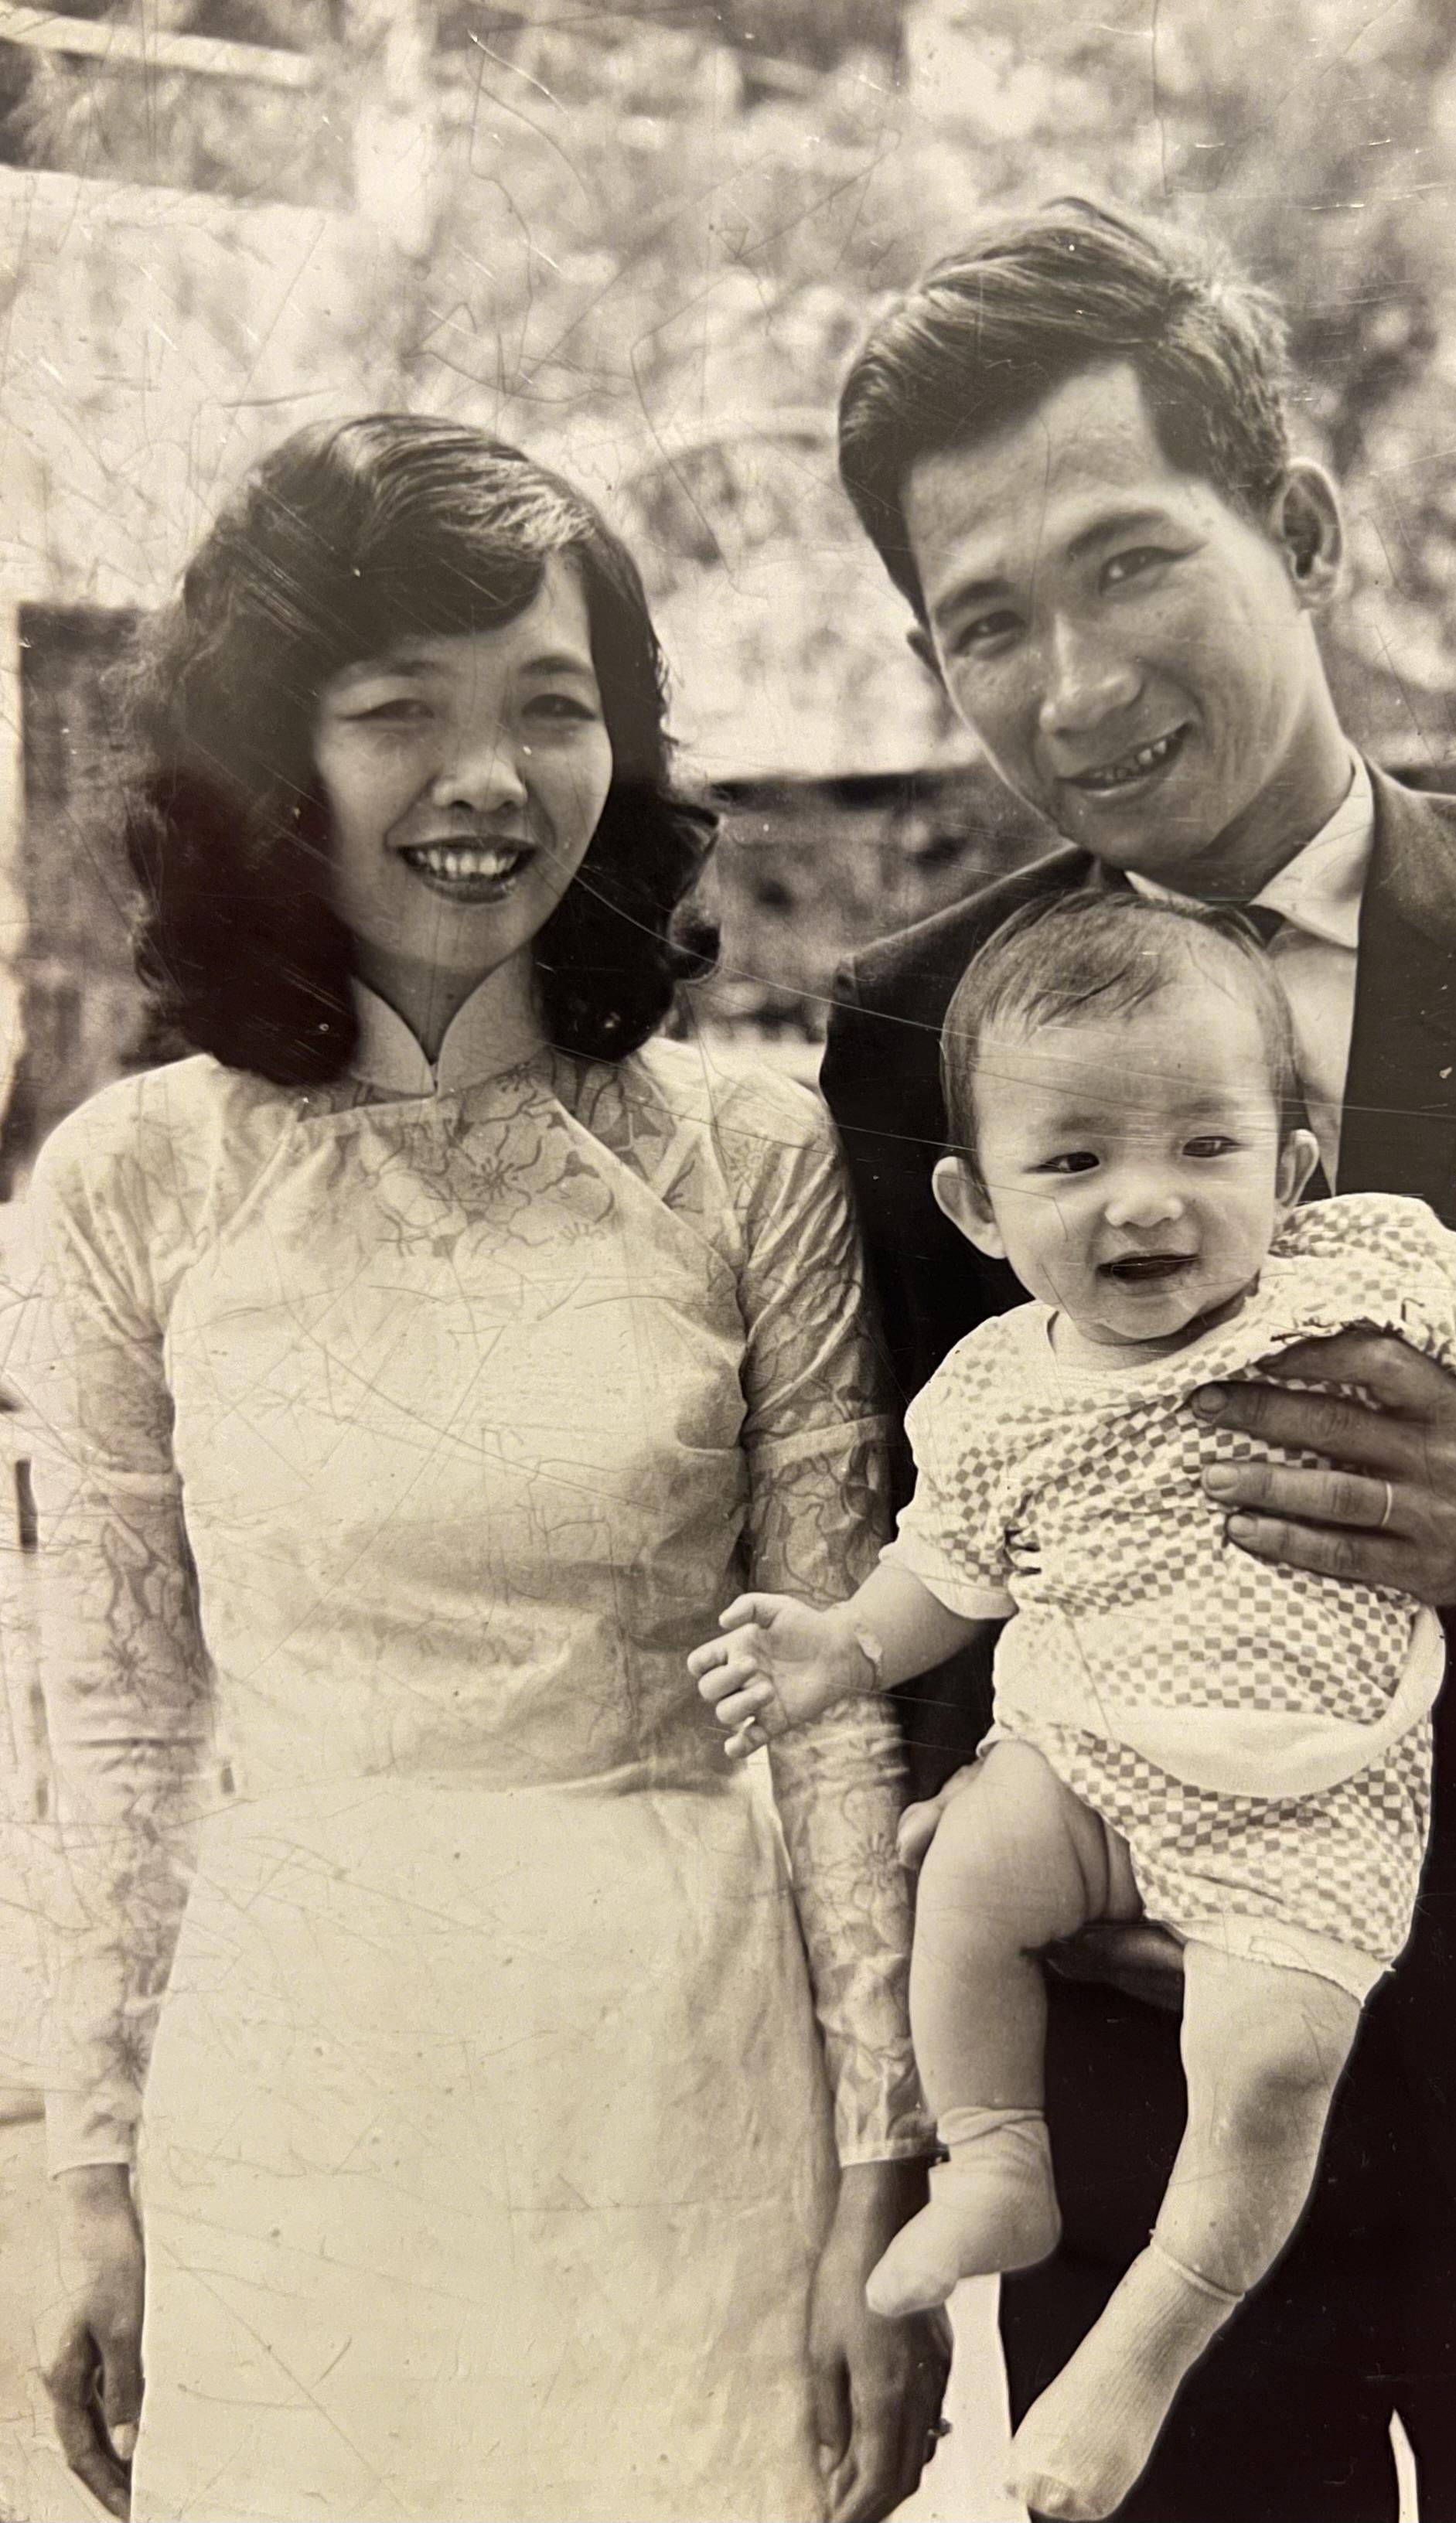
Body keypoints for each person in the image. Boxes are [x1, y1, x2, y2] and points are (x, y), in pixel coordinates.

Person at [819, 200, 1456, 2523]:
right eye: (984, 627)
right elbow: (929, 1536)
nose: (1071, 683)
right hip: (1144, 2081)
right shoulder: (916, 1034)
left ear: (1300, 527)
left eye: (1129, 563)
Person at [22, 414, 947, 2523]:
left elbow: (825, 1716)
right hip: (299, 2071)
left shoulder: (746, 1160)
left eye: (553, 710)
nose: (487, 783)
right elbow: (131, 1721)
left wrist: (866, 2180)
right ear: (279, 758)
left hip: (677, 2070)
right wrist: (96, 2173)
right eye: (397, 716)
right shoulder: (130, 1185)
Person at [699, 889, 1456, 2519]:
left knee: (1265, 2075)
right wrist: (841, 1647)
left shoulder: (1366, 1277)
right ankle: (999, 2161)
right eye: (1075, 1164)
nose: (1145, 1206)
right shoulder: (995, 1386)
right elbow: (944, 1576)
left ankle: (1151, 2342)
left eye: (1205, 1148)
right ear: (978, 1206)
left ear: (1297, 1172)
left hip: (1308, 1793)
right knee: (962, 1885)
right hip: (1085, 1767)